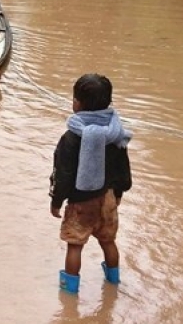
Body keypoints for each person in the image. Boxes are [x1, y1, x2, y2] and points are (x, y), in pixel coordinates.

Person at [49, 74, 132, 294]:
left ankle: (69, 294)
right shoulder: (115, 134)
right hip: (108, 199)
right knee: (108, 242)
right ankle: (113, 283)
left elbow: (63, 173)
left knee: (75, 245)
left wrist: (56, 200)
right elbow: (123, 166)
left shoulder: (71, 137)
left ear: (78, 104)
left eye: (74, 98)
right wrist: (120, 193)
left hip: (81, 202)